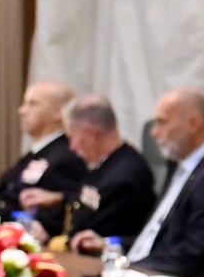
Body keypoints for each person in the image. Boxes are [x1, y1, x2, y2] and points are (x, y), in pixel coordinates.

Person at [125, 87, 204, 277]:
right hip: (146, 271)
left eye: (162, 122)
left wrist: (129, 270)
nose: (154, 132)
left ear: (193, 123)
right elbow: (160, 238)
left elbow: (194, 255)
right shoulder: (180, 168)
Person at [58, 94, 158, 254]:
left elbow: (93, 234)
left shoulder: (126, 175)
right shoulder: (106, 165)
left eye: (72, 137)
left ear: (91, 132)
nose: (72, 147)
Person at [0, 80, 86, 236]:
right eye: (24, 104)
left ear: (58, 112)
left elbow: (58, 214)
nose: (21, 111)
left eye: (32, 104)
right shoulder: (36, 154)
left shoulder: (67, 156)